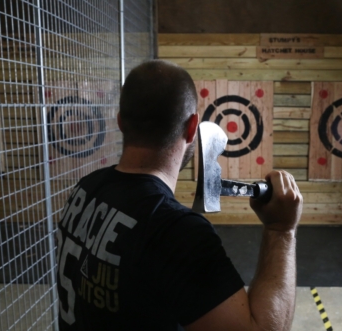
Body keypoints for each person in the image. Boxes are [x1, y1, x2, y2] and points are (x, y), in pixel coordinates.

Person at [56, 59, 303, 331]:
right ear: (192, 126)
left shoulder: (87, 188)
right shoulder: (176, 232)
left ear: (120, 123)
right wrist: (282, 230)